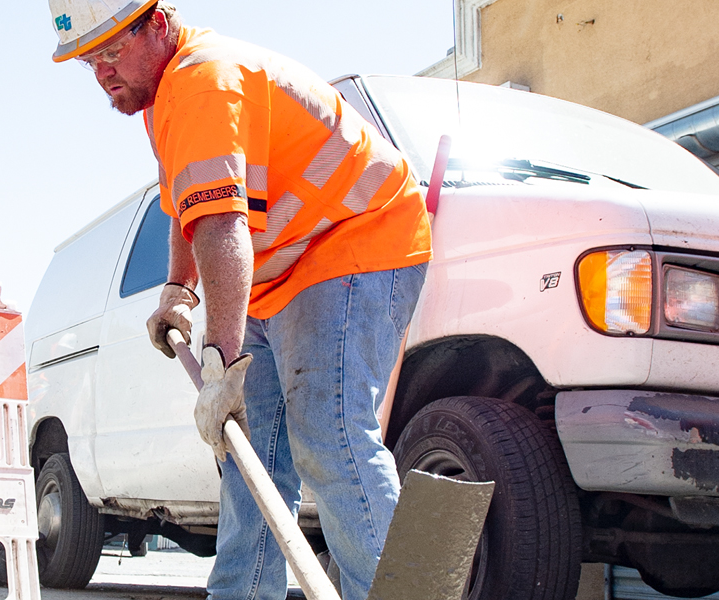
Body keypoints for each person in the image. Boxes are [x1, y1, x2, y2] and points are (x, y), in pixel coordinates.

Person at [46, 2, 432, 598]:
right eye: (88, 59)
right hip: (281, 270)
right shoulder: (163, 97)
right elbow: (189, 204)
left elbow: (224, 226)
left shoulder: (203, 82)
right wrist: (179, 290)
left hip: (356, 239)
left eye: (111, 50)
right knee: (248, 452)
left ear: (156, 24)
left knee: (328, 434)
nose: (101, 71)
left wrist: (220, 365)